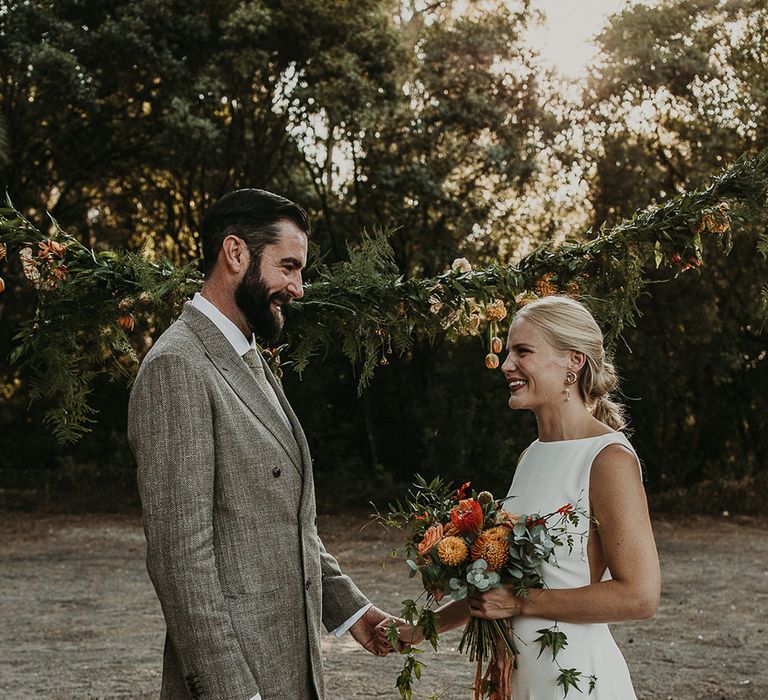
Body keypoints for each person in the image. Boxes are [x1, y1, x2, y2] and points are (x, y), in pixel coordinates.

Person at [128, 188, 392, 700]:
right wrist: (235, 694)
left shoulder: (249, 356)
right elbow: (181, 560)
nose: (298, 287)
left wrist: (353, 611)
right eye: (288, 267)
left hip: (290, 669)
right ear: (235, 254)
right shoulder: (177, 367)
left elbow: (278, 522)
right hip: (240, 682)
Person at [380, 295, 660, 699]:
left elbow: (639, 595)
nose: (507, 365)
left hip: (574, 679)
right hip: (519, 675)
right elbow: (502, 589)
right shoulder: (532, 455)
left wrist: (520, 605)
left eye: (523, 351)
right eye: (509, 351)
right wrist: (421, 629)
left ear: (573, 362)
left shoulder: (607, 458)